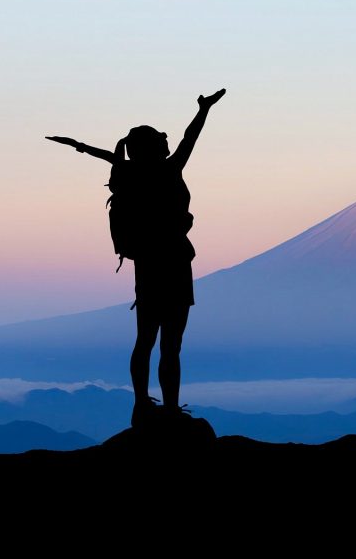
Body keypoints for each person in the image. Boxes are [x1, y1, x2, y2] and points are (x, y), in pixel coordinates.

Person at [47, 88, 226, 427]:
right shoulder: (170, 170)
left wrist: (80, 146)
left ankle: (141, 404)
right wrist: (204, 110)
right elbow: (191, 138)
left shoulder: (130, 175)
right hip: (174, 262)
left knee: (145, 338)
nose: (168, 144)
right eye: (162, 142)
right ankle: (170, 408)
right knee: (171, 343)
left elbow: (112, 159)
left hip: (147, 265)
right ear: (156, 148)